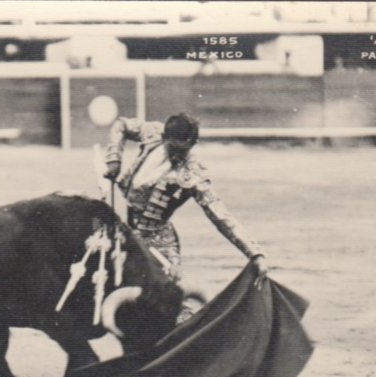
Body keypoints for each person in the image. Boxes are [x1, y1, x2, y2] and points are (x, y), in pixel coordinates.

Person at [103, 113, 268, 285]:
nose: (176, 155)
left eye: (182, 150)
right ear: (164, 137)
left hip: (157, 241)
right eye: (173, 148)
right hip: (125, 229)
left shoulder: (192, 174)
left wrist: (255, 254)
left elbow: (221, 216)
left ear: (192, 145)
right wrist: (114, 158)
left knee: (163, 296)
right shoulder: (153, 133)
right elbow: (121, 125)